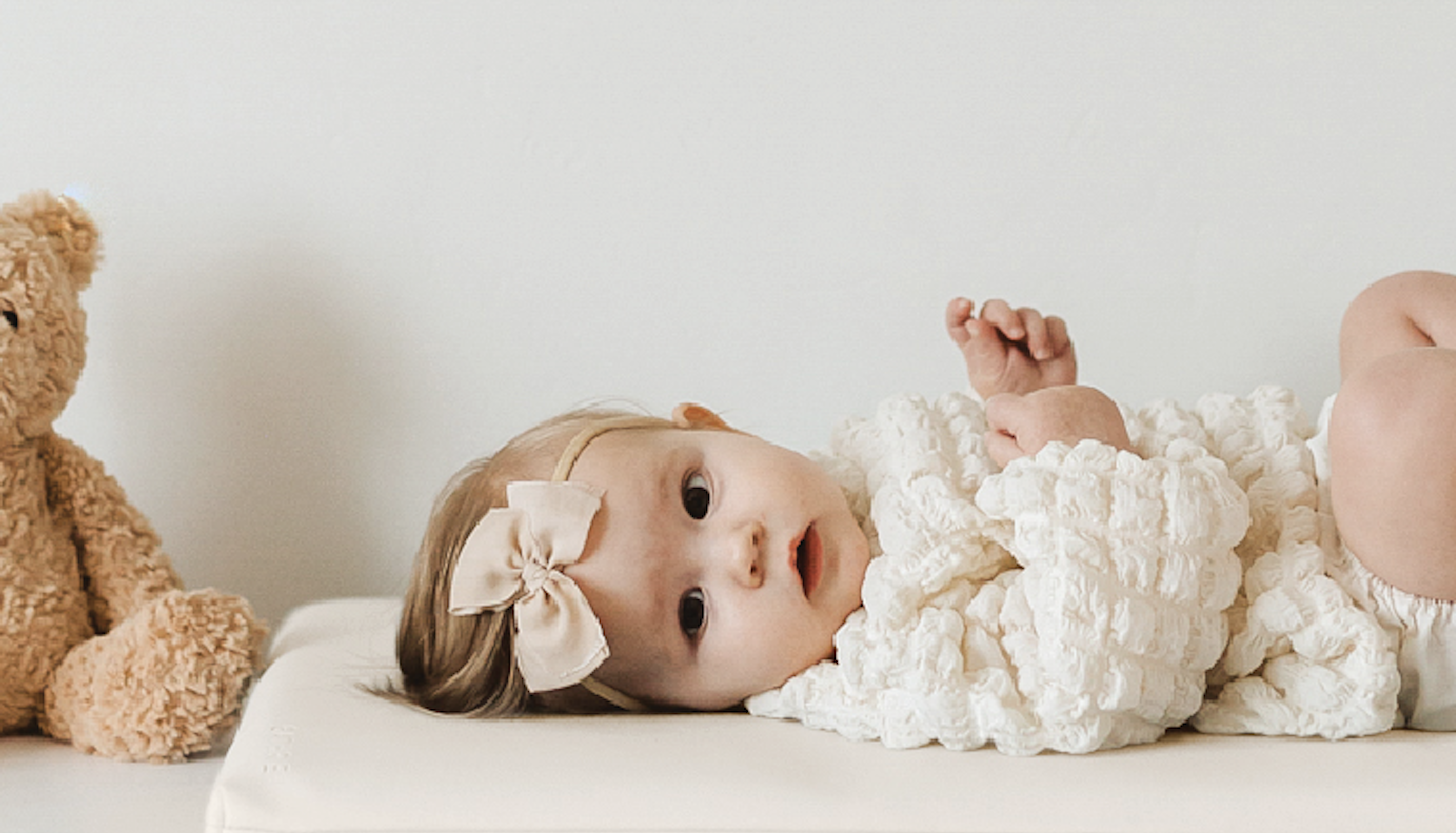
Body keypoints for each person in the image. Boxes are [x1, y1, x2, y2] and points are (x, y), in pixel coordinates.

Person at [392, 280, 1456, 751]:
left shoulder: (865, 465)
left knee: (1383, 312)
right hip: (1359, 603)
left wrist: (1016, 407)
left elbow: (999, 516)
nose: (741, 551)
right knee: (1392, 416)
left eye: (699, 497)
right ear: (697, 705)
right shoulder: (890, 665)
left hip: (1315, 491)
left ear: (711, 422)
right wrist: (1079, 455)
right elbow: (1104, 663)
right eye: (691, 613)